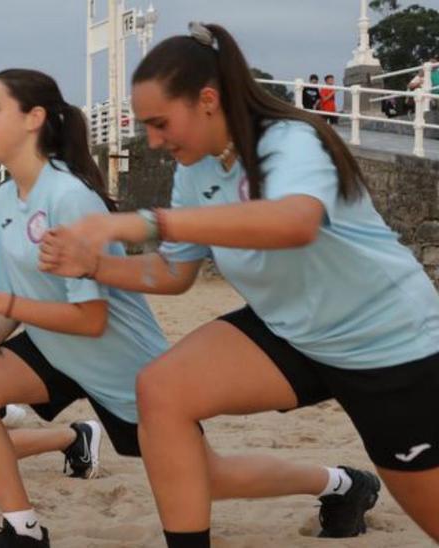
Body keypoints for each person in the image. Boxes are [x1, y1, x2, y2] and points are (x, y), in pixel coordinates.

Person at [38, 22, 439, 545]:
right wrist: (91, 266)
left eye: (161, 123)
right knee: (162, 390)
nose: (154, 141)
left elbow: (294, 223)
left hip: (389, 345)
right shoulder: (194, 172)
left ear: (208, 99)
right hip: (295, 334)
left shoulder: (292, 140)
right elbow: (172, 273)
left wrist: (146, 222)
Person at [0, 68, 172, 548]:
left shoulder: (69, 197)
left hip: (120, 361)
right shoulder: (2, 198)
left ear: (34, 118)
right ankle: (24, 530)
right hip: (54, 347)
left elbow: (91, 319)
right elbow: (11, 290)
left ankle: (335, 483)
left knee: (212, 478)